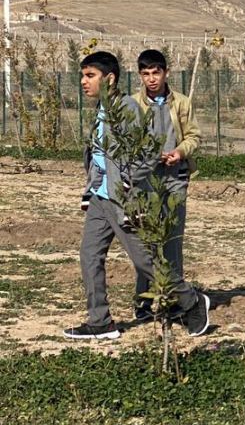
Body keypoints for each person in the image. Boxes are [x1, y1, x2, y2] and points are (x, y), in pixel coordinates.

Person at [65, 51, 210, 340]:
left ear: (110, 78)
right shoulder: (102, 110)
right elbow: (98, 156)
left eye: (90, 75)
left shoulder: (127, 108)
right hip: (99, 199)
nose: (84, 81)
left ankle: (191, 300)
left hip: (121, 201)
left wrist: (129, 186)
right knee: (89, 256)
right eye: (82, 75)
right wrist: (89, 189)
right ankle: (100, 321)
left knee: (146, 262)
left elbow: (148, 155)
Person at [132, 48, 200, 322]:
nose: (151, 79)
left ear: (166, 73)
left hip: (174, 180)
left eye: (156, 72)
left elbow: (193, 135)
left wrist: (180, 152)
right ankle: (145, 301)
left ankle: (174, 299)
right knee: (145, 241)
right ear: (139, 76)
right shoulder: (132, 105)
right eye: (146, 74)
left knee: (172, 239)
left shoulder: (181, 103)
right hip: (145, 182)